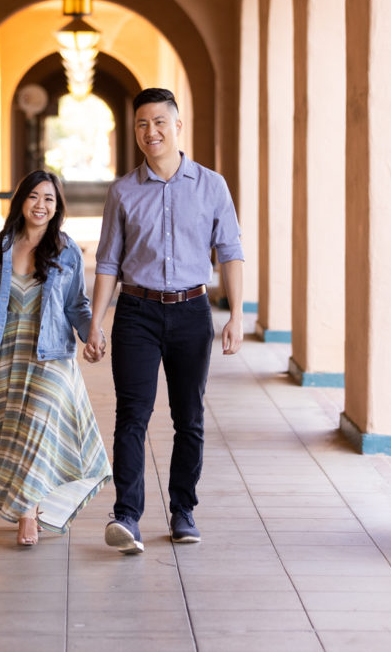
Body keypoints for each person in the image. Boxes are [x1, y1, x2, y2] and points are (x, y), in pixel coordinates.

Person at [84, 88, 244, 554]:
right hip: (136, 312)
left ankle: (183, 510)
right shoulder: (123, 191)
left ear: (177, 126)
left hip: (193, 312)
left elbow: (231, 251)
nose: (149, 132)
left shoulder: (212, 185)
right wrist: (96, 323)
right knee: (132, 415)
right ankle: (127, 516)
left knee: (188, 417)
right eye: (141, 124)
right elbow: (109, 261)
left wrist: (235, 314)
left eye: (158, 122)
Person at [0, 170, 112, 547]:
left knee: (38, 427)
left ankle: (28, 513)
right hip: (11, 356)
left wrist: (92, 333)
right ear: (22, 200)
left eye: (49, 199)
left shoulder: (67, 250)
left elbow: (77, 306)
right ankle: (27, 507)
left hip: (52, 355)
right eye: (34, 196)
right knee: (16, 434)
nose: (41, 205)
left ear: (57, 207)